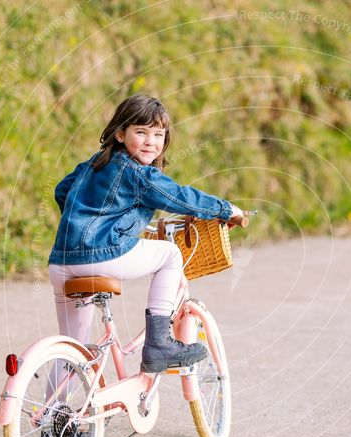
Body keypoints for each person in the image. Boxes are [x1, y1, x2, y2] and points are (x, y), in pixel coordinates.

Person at [47, 94, 244, 374]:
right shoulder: (139, 174)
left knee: (71, 347)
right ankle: (159, 344)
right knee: (170, 254)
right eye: (141, 132)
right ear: (119, 134)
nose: (151, 141)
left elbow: (61, 191)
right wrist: (226, 210)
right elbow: (180, 197)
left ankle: (53, 413)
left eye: (158, 134)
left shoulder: (93, 165)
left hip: (62, 261)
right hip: (103, 254)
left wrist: (82, 223)